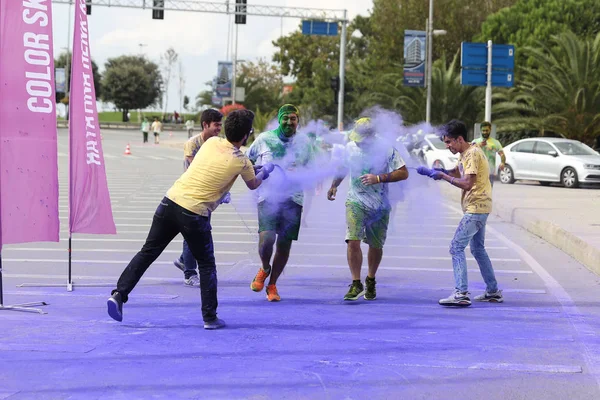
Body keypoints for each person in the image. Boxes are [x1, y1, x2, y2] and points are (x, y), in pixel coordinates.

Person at [107, 110, 271, 329]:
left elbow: (214, 165)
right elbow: (253, 184)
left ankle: (119, 294)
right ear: (246, 135)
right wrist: (265, 171)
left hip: (170, 201)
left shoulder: (212, 142)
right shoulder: (242, 161)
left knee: (147, 252)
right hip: (194, 214)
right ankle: (210, 317)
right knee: (206, 265)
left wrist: (252, 170)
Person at [417, 119, 503, 307]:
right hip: (480, 207)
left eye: (449, 142)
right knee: (478, 249)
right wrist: (437, 172)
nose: (447, 146)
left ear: (459, 139)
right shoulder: (466, 153)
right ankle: (493, 291)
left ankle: (461, 293)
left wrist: (444, 177)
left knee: (456, 247)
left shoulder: (472, 154)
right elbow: (458, 172)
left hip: (475, 208)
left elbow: (467, 183)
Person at [327, 117, 409, 301]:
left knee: (375, 245)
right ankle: (356, 283)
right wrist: (334, 185)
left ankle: (371, 279)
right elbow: (343, 167)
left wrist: (379, 178)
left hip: (380, 204)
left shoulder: (386, 148)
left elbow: (403, 172)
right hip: (355, 200)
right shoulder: (350, 146)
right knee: (352, 240)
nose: (358, 142)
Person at [246, 104, 313, 302]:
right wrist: (260, 170)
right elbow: (247, 162)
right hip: (268, 197)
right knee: (266, 240)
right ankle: (265, 267)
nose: (289, 122)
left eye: (293, 118)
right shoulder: (265, 139)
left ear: (298, 121)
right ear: (279, 119)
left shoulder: (304, 142)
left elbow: (312, 169)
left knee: (284, 245)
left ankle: (272, 284)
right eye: (285, 118)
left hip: (294, 199)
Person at [172, 109, 224, 286]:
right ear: (205, 125)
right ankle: (189, 273)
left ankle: (182, 259)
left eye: (220, 125)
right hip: (191, 195)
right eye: (216, 125)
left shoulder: (219, 144)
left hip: (208, 196)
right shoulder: (192, 144)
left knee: (199, 231)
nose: (219, 128)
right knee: (192, 233)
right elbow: (198, 170)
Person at [472, 121, 506, 186]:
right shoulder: (475, 142)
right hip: (477, 172)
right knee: (477, 193)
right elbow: (469, 153)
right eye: (483, 130)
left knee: (488, 193)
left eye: (487, 130)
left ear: (490, 130)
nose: (485, 132)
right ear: (480, 130)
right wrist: (478, 145)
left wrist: (503, 163)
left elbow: (501, 154)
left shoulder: (495, 142)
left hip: (490, 173)